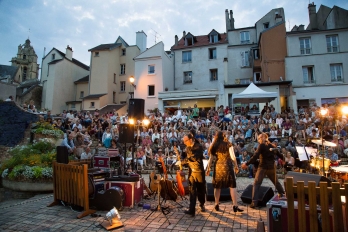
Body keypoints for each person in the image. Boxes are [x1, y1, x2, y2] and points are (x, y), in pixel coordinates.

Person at [241, 133, 285, 208]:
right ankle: (282, 194)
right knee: (276, 182)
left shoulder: (261, 145)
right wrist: (283, 160)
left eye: (260, 138)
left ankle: (254, 202)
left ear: (265, 137)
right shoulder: (272, 146)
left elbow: (255, 156)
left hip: (263, 167)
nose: (259, 139)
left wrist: (247, 164)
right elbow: (280, 155)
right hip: (271, 168)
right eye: (259, 138)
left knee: (256, 184)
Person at [206, 131, 243, 212]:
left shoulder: (214, 145)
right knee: (232, 186)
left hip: (218, 166)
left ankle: (216, 204)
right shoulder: (228, 144)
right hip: (227, 166)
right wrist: (236, 166)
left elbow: (211, 158)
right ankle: (235, 205)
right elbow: (233, 156)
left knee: (217, 186)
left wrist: (208, 168)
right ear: (224, 136)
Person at [176, 133, 205, 216]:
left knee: (200, 190)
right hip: (191, 172)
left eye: (186, 141)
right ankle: (191, 210)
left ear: (191, 139)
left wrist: (182, 161)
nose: (184, 142)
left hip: (199, 171)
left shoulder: (198, 147)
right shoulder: (187, 148)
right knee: (192, 190)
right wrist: (181, 161)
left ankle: (202, 204)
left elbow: (193, 158)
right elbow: (186, 159)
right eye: (184, 141)